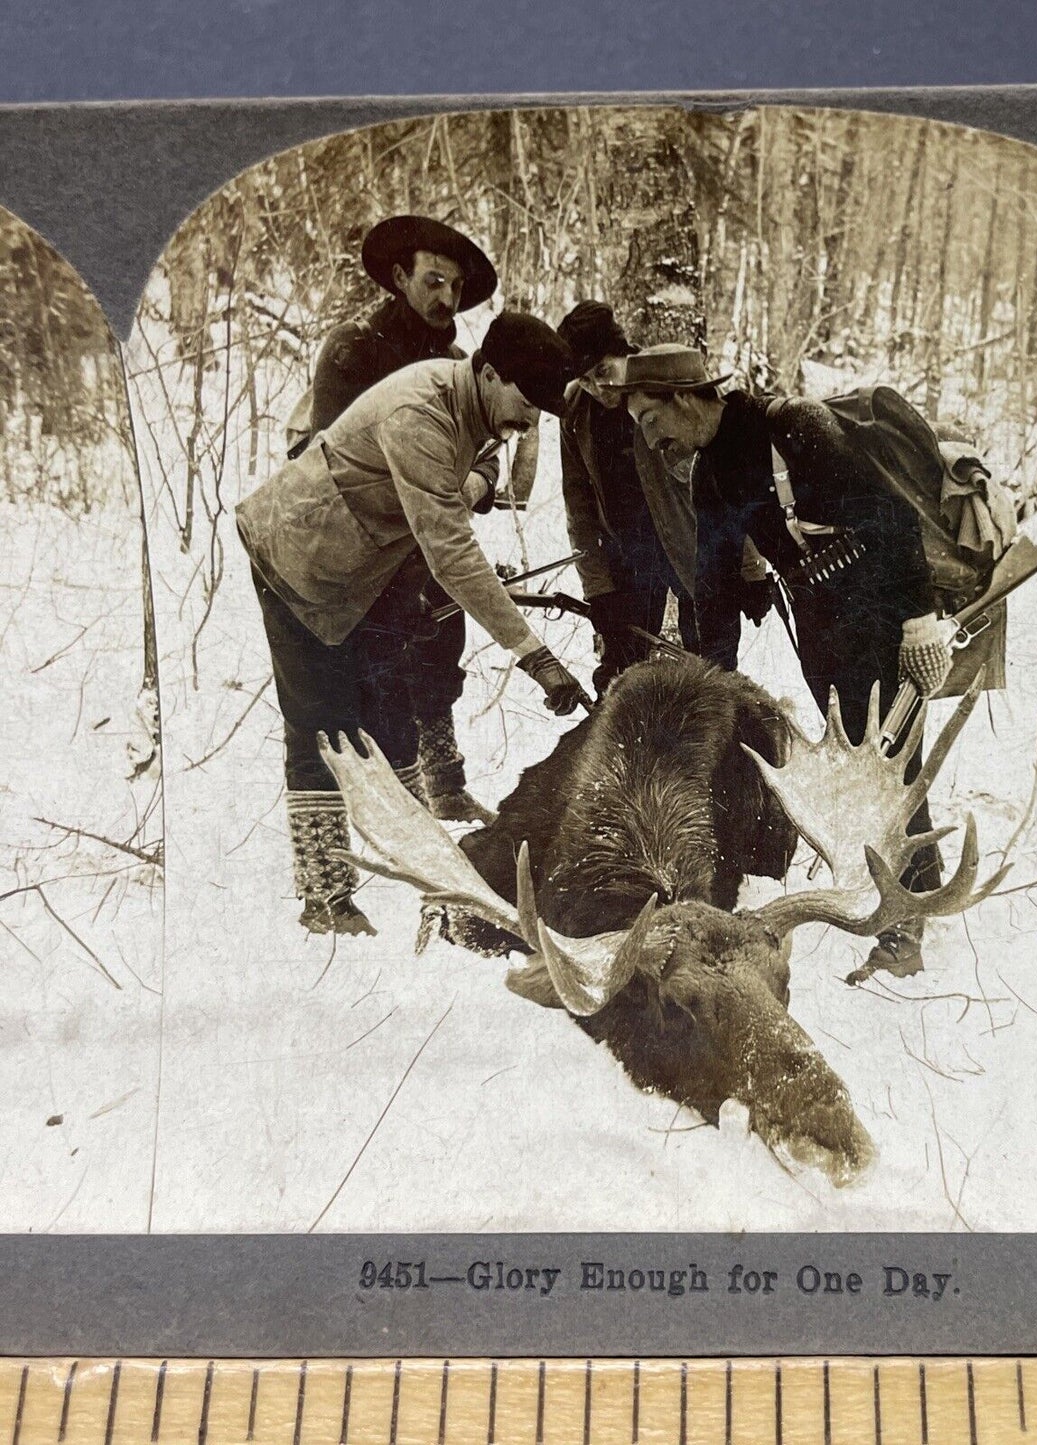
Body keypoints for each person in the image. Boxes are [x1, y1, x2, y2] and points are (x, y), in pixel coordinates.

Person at [237, 312, 587, 937]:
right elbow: (451, 549)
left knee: (394, 719)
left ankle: (424, 883)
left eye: (539, 410)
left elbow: (468, 488)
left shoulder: (472, 410)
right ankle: (326, 900)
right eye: (524, 401)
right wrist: (534, 655)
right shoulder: (419, 414)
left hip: (362, 569)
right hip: (296, 556)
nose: (529, 421)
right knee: (323, 727)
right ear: (486, 372)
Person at [618, 344, 956, 979]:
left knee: (889, 755)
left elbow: (893, 520)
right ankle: (891, 885)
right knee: (853, 749)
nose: (651, 436)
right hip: (823, 622)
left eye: (650, 418)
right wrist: (708, 683)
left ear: (687, 399)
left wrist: (918, 621)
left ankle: (908, 920)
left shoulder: (797, 428)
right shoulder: (711, 470)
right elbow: (713, 582)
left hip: (881, 607)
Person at [297, 215, 539, 821]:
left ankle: (445, 784)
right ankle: (380, 812)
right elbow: (332, 454)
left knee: (439, 649)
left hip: (431, 534)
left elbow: (487, 450)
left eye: (455, 288)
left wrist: (478, 482)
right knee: (367, 672)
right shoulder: (353, 349)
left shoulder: (464, 360)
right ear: (399, 277)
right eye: (433, 281)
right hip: (352, 538)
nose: (445, 298)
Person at [557, 301, 774, 690]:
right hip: (628, 557)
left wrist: (750, 568)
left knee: (713, 667)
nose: (597, 388)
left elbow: (725, 482)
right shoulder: (575, 411)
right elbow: (579, 505)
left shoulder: (661, 385)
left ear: (624, 352)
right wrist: (598, 588)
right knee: (618, 673)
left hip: (695, 547)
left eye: (603, 372)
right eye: (586, 380)